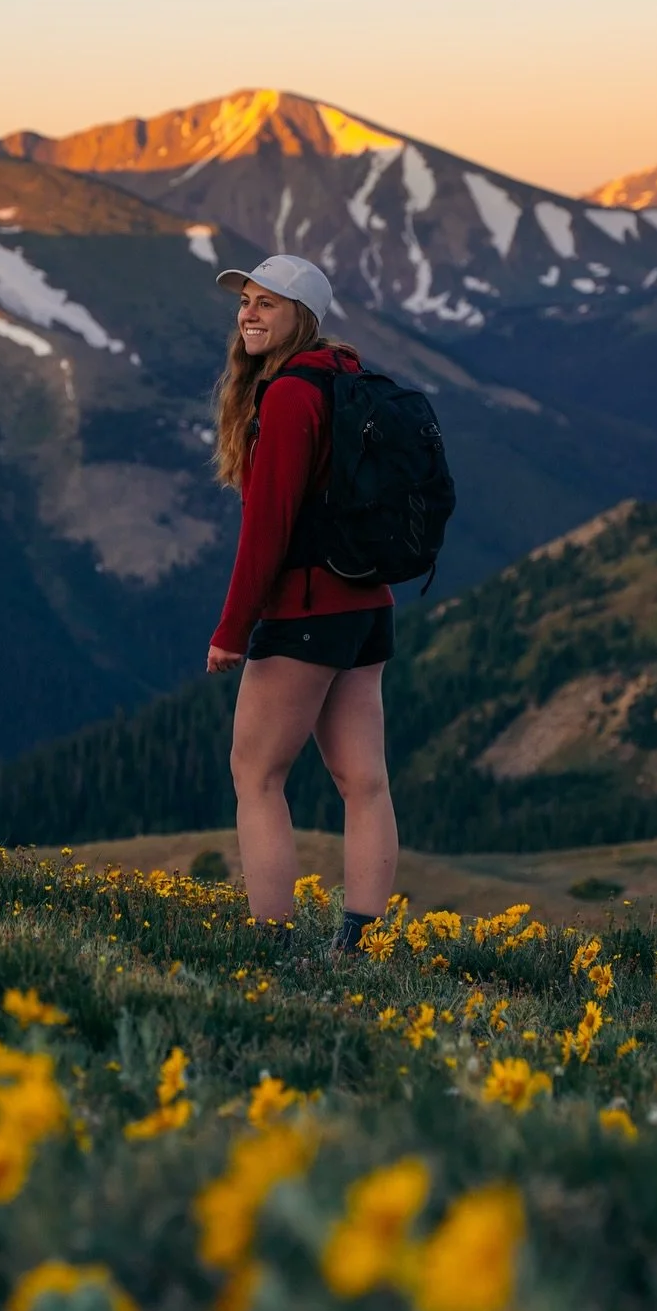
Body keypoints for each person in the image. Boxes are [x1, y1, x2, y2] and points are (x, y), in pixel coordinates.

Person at [207, 253, 397, 950]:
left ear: (301, 320)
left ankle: (272, 945)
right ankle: (361, 944)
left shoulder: (289, 395)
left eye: (267, 304)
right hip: (368, 605)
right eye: (246, 301)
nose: (249, 314)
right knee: (364, 781)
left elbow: (268, 527)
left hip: (307, 611)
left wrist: (232, 628)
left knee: (256, 775)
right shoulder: (349, 382)